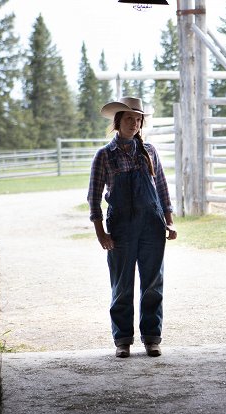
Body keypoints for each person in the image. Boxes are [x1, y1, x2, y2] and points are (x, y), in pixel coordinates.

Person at [87, 96, 177, 358]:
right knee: (122, 285)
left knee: (152, 284)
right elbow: (93, 198)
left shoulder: (149, 151)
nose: (134, 124)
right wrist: (100, 233)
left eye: (138, 119)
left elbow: (161, 187)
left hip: (152, 225)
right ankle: (123, 340)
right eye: (129, 119)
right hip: (121, 229)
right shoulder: (104, 155)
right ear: (118, 122)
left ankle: (152, 338)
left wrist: (169, 220)